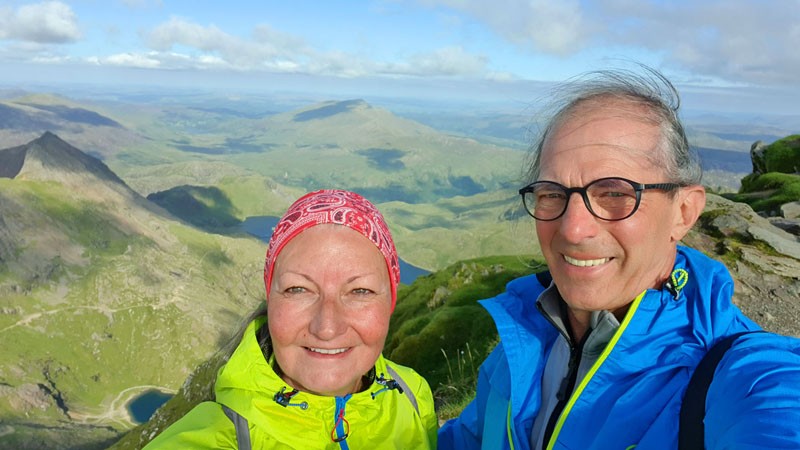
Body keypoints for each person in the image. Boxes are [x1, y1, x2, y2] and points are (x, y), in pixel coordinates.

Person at [438, 66, 800, 449]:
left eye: (614, 193)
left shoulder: (735, 377)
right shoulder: (524, 334)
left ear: (684, 212)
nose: (573, 229)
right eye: (552, 193)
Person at [145, 189, 438, 449]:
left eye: (360, 291)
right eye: (298, 289)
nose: (326, 327)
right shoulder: (216, 437)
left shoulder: (412, 395)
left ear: (390, 302)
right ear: (270, 299)